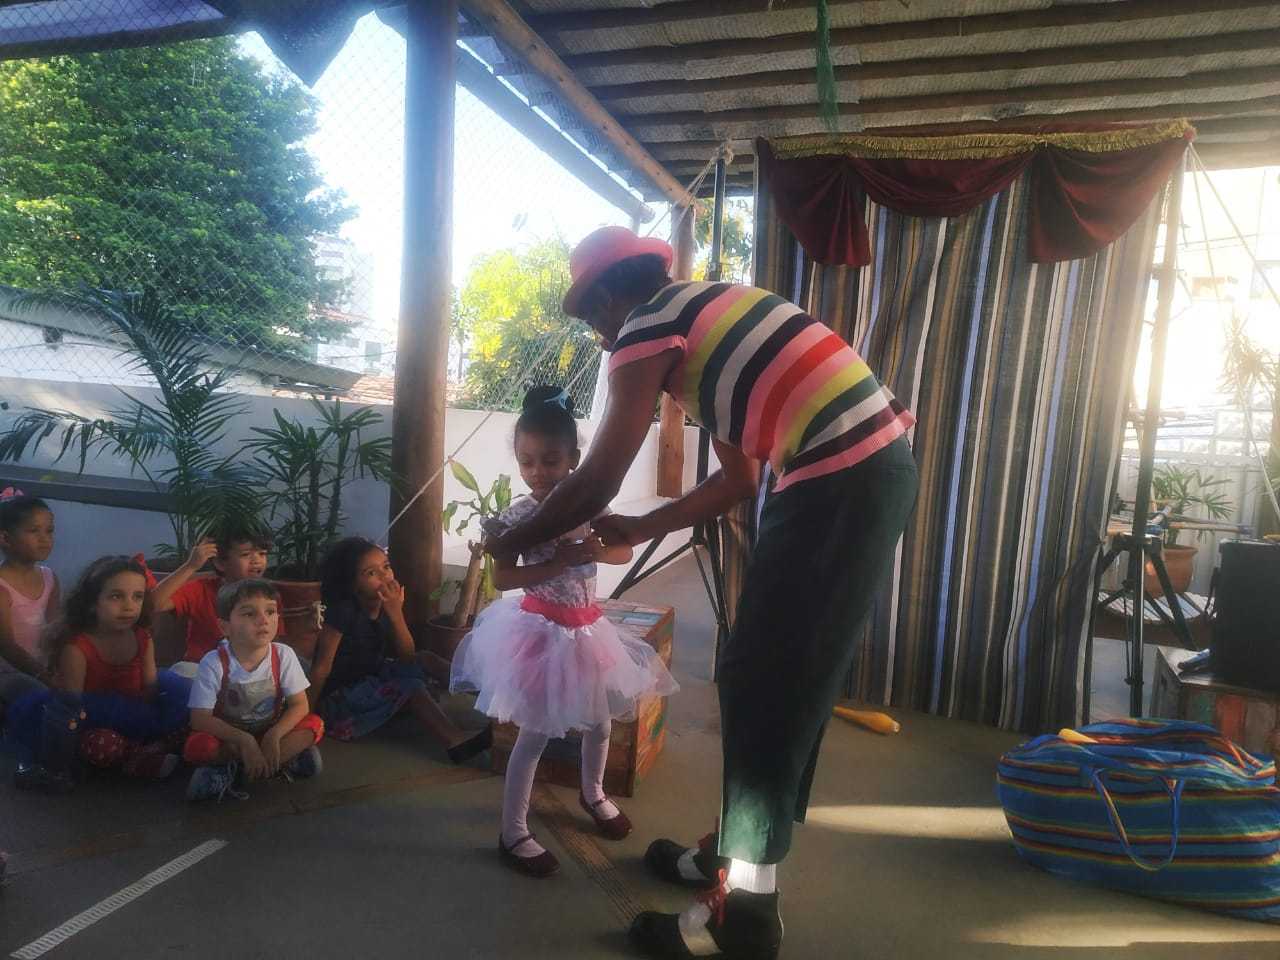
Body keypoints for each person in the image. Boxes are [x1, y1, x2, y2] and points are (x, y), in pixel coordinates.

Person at [483, 226, 919, 958]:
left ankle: (743, 917)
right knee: (767, 677)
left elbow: (595, 479)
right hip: (864, 472)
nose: (600, 340)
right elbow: (738, 481)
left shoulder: (646, 325)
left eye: (593, 321)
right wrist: (643, 524)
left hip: (838, 476)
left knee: (768, 683)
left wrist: (509, 539)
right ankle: (731, 854)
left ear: (611, 296)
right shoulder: (705, 318)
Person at [451, 386, 678, 878]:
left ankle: (593, 793)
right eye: (527, 462)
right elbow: (503, 578)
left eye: (551, 461)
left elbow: (622, 551)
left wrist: (597, 551)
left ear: (574, 459)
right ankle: (512, 831)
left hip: (587, 629)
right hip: (541, 634)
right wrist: (554, 563)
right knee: (534, 734)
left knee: (600, 723)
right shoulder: (516, 516)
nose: (538, 472)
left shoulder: (589, 505)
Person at [309, 537, 491, 764]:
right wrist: (307, 715)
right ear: (352, 584)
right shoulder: (343, 612)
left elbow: (408, 656)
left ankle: (492, 696)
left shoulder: (386, 604)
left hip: (373, 678)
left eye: (386, 566)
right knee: (411, 688)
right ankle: (454, 740)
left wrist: (395, 613)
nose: (384, 576)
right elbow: (321, 667)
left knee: (425, 658)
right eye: (371, 573)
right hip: (342, 699)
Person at [13, 557, 186, 787]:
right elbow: (71, 705)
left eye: (137, 596)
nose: (129, 606)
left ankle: (143, 750)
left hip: (139, 715)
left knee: (188, 714)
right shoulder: (77, 647)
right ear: (92, 602)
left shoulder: (142, 637)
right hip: (89, 721)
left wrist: (148, 721)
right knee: (101, 744)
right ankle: (134, 757)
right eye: (116, 596)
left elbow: (151, 687)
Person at [184, 579, 324, 802]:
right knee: (199, 746)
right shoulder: (214, 662)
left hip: (270, 728)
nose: (263, 620)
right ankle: (265, 764)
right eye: (249, 614)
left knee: (315, 725)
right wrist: (245, 741)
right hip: (231, 738)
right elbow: (199, 719)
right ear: (225, 627)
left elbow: (300, 705)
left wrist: (273, 736)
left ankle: (246, 768)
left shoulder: (283, 655)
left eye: (270, 611)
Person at [151, 523, 277, 675]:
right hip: (199, 670)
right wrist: (191, 566)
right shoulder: (200, 589)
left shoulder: (268, 596)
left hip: (245, 674)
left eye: (262, 553)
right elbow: (153, 604)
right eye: (245, 554)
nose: (257, 560)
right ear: (220, 563)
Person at [0, 492, 58, 724]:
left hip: (42, 667)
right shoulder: (2, 587)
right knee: (44, 700)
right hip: (7, 671)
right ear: (5, 538)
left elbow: (56, 629)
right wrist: (44, 676)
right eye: (34, 531)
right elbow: (7, 647)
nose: (45, 539)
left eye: (49, 530)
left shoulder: (50, 577)